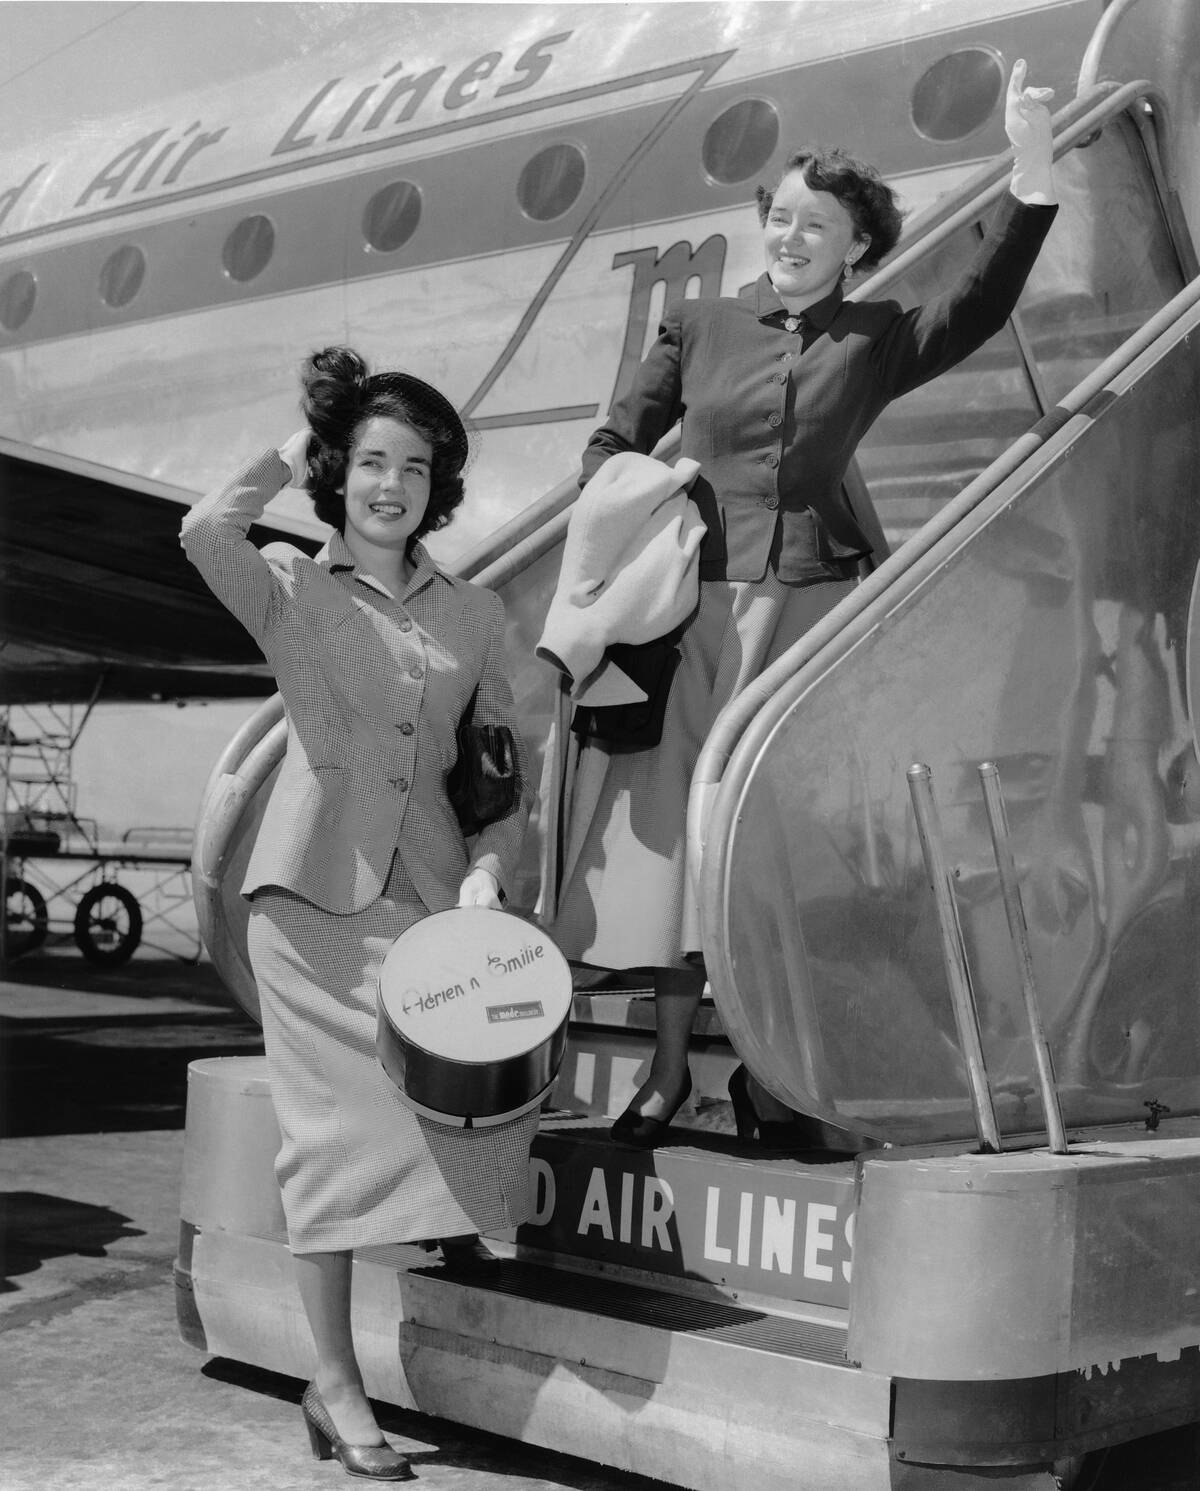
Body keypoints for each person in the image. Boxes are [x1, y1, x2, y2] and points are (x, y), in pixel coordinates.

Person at [544, 59, 1059, 1148]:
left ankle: (780, 1078)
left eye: (813, 224)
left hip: (811, 621)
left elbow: (976, 305)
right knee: (683, 855)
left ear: (856, 244)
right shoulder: (698, 329)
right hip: (692, 623)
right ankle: (673, 1073)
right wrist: (662, 497)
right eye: (777, 218)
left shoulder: (874, 342)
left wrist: (1028, 173)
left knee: (781, 860)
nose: (788, 237)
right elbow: (605, 448)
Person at [181, 346, 533, 1480]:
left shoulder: (475, 615)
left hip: (428, 902)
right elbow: (202, 532)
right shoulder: (288, 581)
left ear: (442, 486)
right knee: (330, 1148)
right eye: (371, 462)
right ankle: (336, 1387)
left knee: (468, 1115)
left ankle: (364, 1358)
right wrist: (304, 439)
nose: (392, 484)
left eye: (416, 467)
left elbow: (497, 779)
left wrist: (488, 871)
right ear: (341, 475)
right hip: (309, 903)